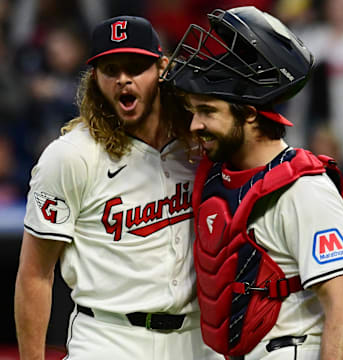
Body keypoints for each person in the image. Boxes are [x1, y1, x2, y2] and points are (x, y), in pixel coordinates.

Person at [14, 15, 224, 360]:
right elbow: (35, 274)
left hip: (197, 340)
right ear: (95, 78)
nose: (124, 79)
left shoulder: (200, 146)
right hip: (109, 339)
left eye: (136, 67)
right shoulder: (71, 156)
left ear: (162, 68)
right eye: (111, 69)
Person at [162, 6, 343, 360]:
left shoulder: (305, 188)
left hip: (291, 349)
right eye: (194, 111)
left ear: (250, 114)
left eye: (208, 111)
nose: (195, 125)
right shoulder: (214, 173)